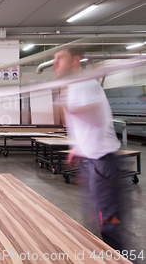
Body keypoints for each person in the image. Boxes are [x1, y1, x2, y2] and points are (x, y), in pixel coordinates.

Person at [53, 46, 123, 251]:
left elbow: (92, 114)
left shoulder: (86, 83)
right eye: (54, 59)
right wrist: (76, 148)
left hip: (103, 162)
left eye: (60, 58)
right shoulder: (74, 86)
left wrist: (63, 103)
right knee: (94, 217)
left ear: (76, 61)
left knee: (108, 222)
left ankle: (119, 256)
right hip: (91, 161)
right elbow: (83, 123)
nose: (55, 63)